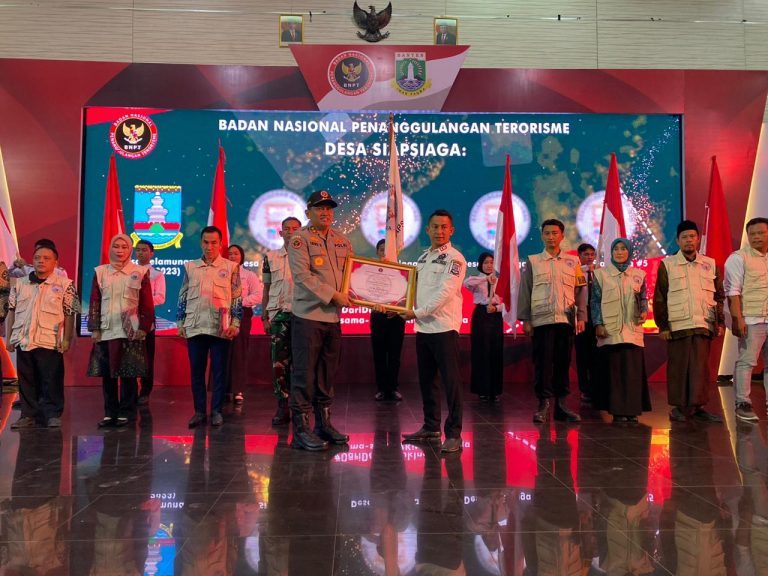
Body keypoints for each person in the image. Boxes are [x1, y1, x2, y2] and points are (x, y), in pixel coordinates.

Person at [286, 190, 352, 450]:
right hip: (308, 317)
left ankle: (323, 424)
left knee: (326, 373)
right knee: (304, 374)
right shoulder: (299, 240)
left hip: (332, 318)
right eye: (319, 208)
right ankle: (301, 431)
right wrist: (334, 295)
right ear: (308, 213)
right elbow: (303, 277)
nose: (325, 213)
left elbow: (350, 276)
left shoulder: (342, 241)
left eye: (329, 208)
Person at [401, 209, 467, 454]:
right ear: (427, 230)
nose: (439, 231)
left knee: (451, 383)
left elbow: (445, 293)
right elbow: (413, 290)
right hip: (424, 328)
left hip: (444, 328)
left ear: (451, 231)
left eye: (444, 227)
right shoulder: (423, 258)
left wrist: (417, 313)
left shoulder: (455, 259)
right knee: (427, 381)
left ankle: (454, 433)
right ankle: (431, 427)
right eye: (435, 227)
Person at [653, 220, 725, 423]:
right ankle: (679, 407)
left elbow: (719, 295)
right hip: (678, 325)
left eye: (692, 236)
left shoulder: (709, 264)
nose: (689, 240)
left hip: (703, 323)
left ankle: (698, 406)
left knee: (700, 368)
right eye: (684, 237)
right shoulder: (668, 265)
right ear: (678, 241)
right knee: (679, 367)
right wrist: (663, 326)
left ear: (698, 239)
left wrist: (719, 322)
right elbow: (660, 297)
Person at [517, 219, 586, 423]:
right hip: (541, 321)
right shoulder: (533, 261)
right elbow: (525, 290)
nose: (550, 237)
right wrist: (526, 319)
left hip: (566, 320)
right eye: (546, 233)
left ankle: (561, 405)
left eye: (555, 233)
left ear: (562, 236)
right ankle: (544, 405)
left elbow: (580, 291)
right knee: (543, 364)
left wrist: (582, 316)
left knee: (563, 363)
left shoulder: (573, 262)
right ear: (542, 236)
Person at [177, 226, 242, 428]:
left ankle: (216, 411)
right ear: (201, 243)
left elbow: (237, 298)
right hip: (195, 326)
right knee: (196, 372)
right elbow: (182, 296)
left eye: (214, 242)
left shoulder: (231, 267)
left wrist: (235, 323)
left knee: (219, 372)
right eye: (206, 242)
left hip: (219, 328)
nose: (209, 246)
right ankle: (199, 411)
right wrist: (180, 322)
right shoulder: (190, 267)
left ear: (220, 244)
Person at [7, 243, 78, 429]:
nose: (41, 261)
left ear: (56, 262)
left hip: (50, 340)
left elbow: (70, 313)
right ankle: (28, 415)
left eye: (46, 258)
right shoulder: (20, 284)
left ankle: (52, 414)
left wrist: (67, 339)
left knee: (51, 379)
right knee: (26, 380)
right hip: (24, 339)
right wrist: (10, 337)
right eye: (37, 258)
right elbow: (11, 310)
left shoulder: (65, 285)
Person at [88, 234, 155, 428]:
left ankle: (127, 412)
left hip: (130, 330)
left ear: (130, 250)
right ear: (110, 249)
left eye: (124, 247)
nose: (120, 250)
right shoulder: (101, 272)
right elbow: (95, 301)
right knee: (108, 375)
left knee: (128, 373)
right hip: (107, 329)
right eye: (116, 246)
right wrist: (95, 328)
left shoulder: (140, 271)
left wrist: (144, 327)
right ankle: (110, 413)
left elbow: (147, 303)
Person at [590, 238, 651, 423]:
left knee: (632, 373)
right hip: (611, 330)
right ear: (611, 252)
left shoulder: (639, 274)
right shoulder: (601, 275)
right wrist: (598, 324)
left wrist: (644, 311)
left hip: (632, 330)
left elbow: (643, 298)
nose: (619, 252)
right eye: (616, 249)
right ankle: (617, 411)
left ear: (629, 252)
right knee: (615, 373)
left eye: (623, 249)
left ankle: (632, 411)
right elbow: (595, 302)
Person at [725, 216, 768, 422]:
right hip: (751, 319)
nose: (757, 237)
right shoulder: (738, 258)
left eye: (761, 233)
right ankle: (743, 403)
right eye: (752, 234)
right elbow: (733, 292)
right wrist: (738, 319)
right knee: (747, 362)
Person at [261, 216, 301, 425]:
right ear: (280, 232)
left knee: (301, 364)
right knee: (279, 364)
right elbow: (266, 289)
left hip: (302, 316)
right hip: (278, 316)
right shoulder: (270, 257)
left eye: (295, 228)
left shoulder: (308, 257)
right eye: (287, 229)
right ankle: (282, 405)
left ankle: (300, 407)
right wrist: (264, 316)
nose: (290, 232)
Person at [225, 244, 263, 405]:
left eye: (236, 253)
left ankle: (238, 390)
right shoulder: (222, 274)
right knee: (222, 352)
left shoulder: (249, 275)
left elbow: (258, 295)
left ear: (241, 256)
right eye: (230, 254)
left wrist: (238, 302)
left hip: (242, 315)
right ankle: (223, 389)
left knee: (239, 353)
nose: (232, 256)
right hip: (223, 315)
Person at [463, 251, 503, 403]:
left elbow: (507, 304)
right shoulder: (477, 280)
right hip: (481, 315)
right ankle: (482, 390)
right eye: (486, 262)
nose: (489, 265)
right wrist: (486, 278)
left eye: (491, 262)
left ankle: (495, 390)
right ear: (480, 264)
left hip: (495, 315)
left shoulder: (500, 281)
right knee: (481, 351)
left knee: (495, 351)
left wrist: (496, 308)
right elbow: (466, 283)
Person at [371, 238, 406, 402]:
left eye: (388, 250)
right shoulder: (371, 272)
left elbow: (407, 295)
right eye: (381, 250)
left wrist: (397, 309)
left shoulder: (402, 272)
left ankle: (393, 388)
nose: (385, 253)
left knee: (394, 355)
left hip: (397, 317)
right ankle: (381, 389)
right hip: (378, 316)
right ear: (377, 252)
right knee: (379, 354)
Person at [134, 239, 165, 405]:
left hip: (147, 319)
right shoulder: (129, 272)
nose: (140, 252)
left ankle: (145, 391)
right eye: (138, 249)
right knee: (131, 355)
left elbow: (161, 297)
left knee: (147, 356)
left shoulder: (157, 274)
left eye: (144, 250)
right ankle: (131, 390)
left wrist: (143, 301)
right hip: (130, 318)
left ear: (151, 253)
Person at [575, 242, 598, 404]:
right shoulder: (575, 272)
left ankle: (596, 388)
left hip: (596, 316)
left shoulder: (600, 273)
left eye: (592, 254)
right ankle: (584, 389)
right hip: (580, 317)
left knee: (596, 353)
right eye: (586, 254)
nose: (589, 257)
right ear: (579, 256)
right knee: (582, 354)